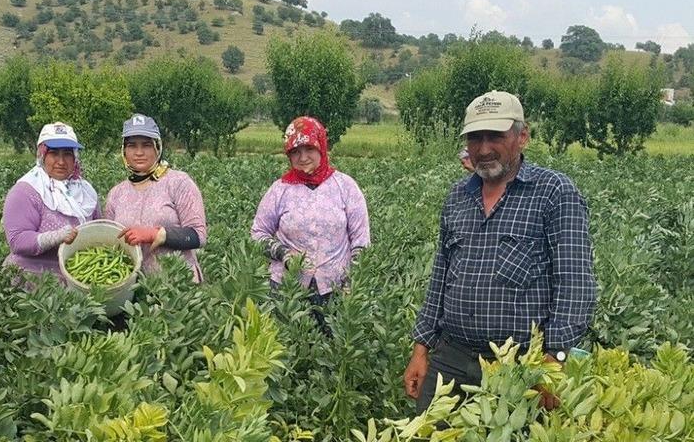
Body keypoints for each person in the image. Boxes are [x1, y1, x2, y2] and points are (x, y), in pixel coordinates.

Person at [403, 90, 596, 413]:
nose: (483, 148)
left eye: (495, 136)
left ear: (522, 137)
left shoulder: (554, 193)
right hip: (453, 356)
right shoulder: (458, 197)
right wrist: (421, 349)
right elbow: (440, 277)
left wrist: (555, 359)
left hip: (520, 365)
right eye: (475, 138)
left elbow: (575, 284)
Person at [251, 116, 370, 330]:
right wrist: (283, 254)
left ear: (321, 148)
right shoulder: (280, 190)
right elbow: (258, 233)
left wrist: (353, 280)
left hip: (336, 288)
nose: (303, 157)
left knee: (333, 351)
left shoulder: (345, 187)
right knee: (288, 349)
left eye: (309, 149)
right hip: (287, 289)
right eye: (295, 151)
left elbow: (361, 240)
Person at [105, 114, 207, 282]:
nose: (139, 152)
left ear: (157, 148)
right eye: (132, 146)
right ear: (124, 151)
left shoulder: (178, 182)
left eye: (146, 145)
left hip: (179, 287)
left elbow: (198, 236)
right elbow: (111, 241)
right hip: (135, 290)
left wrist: (156, 234)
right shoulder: (117, 193)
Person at [2, 122, 100, 283]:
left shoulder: (85, 191)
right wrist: (56, 237)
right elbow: (17, 240)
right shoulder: (26, 191)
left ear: (75, 157)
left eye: (67, 154)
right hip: (30, 281)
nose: (61, 161)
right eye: (54, 153)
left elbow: (97, 230)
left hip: (75, 282)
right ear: (42, 155)